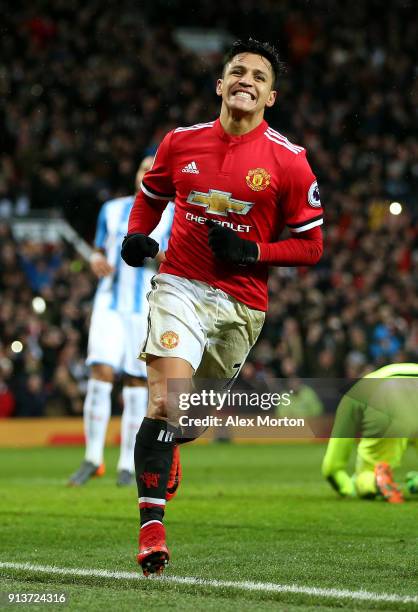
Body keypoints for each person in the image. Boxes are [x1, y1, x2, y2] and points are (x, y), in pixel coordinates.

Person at [121, 38, 324, 575]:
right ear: (220, 85)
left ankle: (175, 442)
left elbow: (312, 244)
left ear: (270, 96)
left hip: (242, 304)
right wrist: (137, 235)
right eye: (237, 71)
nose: (246, 81)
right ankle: (151, 528)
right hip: (179, 285)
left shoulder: (290, 161)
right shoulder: (180, 142)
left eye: (258, 76)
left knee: (189, 415)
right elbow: (152, 193)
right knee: (166, 403)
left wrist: (253, 250)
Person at [68, 157, 173, 487]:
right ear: (137, 175)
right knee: (100, 371)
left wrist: (152, 251)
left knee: (135, 383)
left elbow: (175, 258)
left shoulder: (173, 213)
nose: (146, 173)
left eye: (153, 169)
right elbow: (98, 251)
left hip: (145, 305)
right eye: (142, 168)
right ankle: (92, 458)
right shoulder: (112, 210)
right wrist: (95, 259)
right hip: (109, 303)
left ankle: (127, 464)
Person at [322, 363, 418, 503]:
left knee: (366, 473)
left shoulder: (356, 393)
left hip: (388, 400)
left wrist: (349, 488)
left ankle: (375, 481)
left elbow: (331, 466)